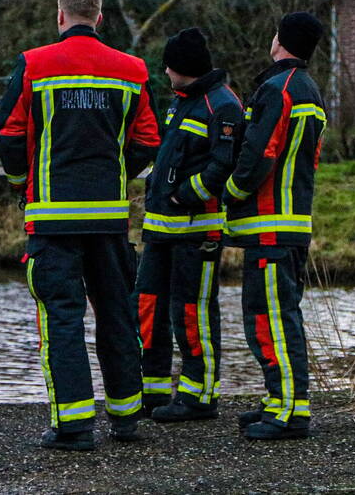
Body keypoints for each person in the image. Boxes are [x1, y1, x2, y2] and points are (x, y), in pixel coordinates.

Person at [0, 0, 160, 451]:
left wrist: (22, 188)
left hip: (52, 216)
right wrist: (117, 173)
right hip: (109, 218)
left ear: (60, 16)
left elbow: (8, 135)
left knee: (61, 318)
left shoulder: (34, 64)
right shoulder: (131, 71)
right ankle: (127, 418)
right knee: (117, 314)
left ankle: (73, 426)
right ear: (100, 18)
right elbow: (148, 139)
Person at [222, 12, 326, 440]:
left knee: (270, 319)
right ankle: (279, 400)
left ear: (280, 39)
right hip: (292, 222)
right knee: (281, 315)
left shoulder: (277, 88)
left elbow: (258, 154)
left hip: (270, 225)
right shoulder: (310, 90)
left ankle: (288, 411)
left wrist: (229, 191)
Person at [134, 27, 243, 422]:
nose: (164, 70)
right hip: (160, 229)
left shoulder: (223, 105)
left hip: (198, 232)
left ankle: (200, 396)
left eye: (169, 64)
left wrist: (186, 195)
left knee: (192, 312)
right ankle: (154, 391)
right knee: (147, 305)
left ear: (184, 68)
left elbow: (225, 165)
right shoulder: (179, 102)